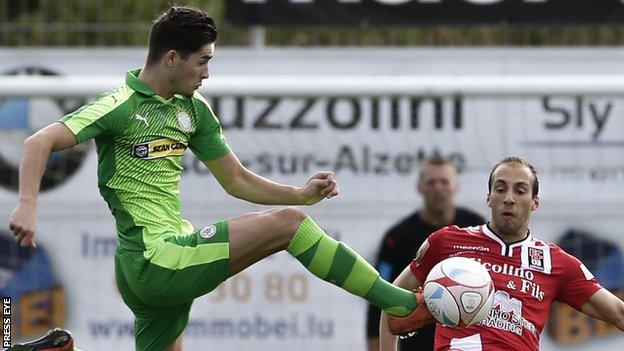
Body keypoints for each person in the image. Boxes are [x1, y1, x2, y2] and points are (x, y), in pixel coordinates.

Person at [7, 6, 425, 351]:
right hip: (155, 260)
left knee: (294, 214)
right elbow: (37, 142)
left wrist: (300, 193)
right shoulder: (119, 105)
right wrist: (27, 203)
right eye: (202, 60)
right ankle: (403, 304)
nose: (206, 73)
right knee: (290, 225)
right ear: (172, 58)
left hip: (158, 267)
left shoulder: (193, 110)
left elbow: (237, 181)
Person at [379, 156, 624, 351]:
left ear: (534, 202)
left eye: (520, 190)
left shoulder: (556, 262)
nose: (509, 198)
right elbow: (390, 302)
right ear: (489, 197)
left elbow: (618, 313)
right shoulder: (446, 242)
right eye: (500, 189)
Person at [366, 156, 484, 351]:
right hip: (416, 341)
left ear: (455, 186)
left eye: (444, 181)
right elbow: (380, 293)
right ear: (419, 187)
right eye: (431, 182)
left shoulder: (475, 227)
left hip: (466, 340)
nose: (438, 188)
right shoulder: (397, 237)